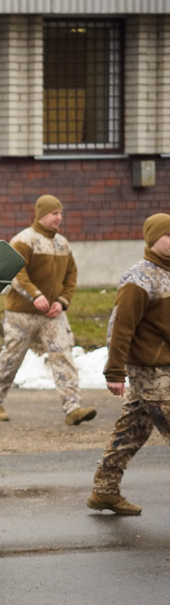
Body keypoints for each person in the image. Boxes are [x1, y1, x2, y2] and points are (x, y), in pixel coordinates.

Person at [0, 194, 96, 426]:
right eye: (54, 213)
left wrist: (63, 301)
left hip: (53, 315)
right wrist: (34, 295)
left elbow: (71, 275)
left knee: (63, 355)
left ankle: (73, 408)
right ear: (41, 214)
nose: (59, 218)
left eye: (60, 214)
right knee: (12, 357)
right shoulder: (25, 240)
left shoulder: (62, 244)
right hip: (21, 314)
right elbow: (16, 272)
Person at [88, 213, 170, 516]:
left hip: (165, 366)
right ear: (152, 240)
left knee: (133, 428)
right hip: (149, 368)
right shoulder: (139, 278)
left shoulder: (168, 273)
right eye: (168, 235)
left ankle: (105, 491)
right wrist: (115, 371)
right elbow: (121, 327)